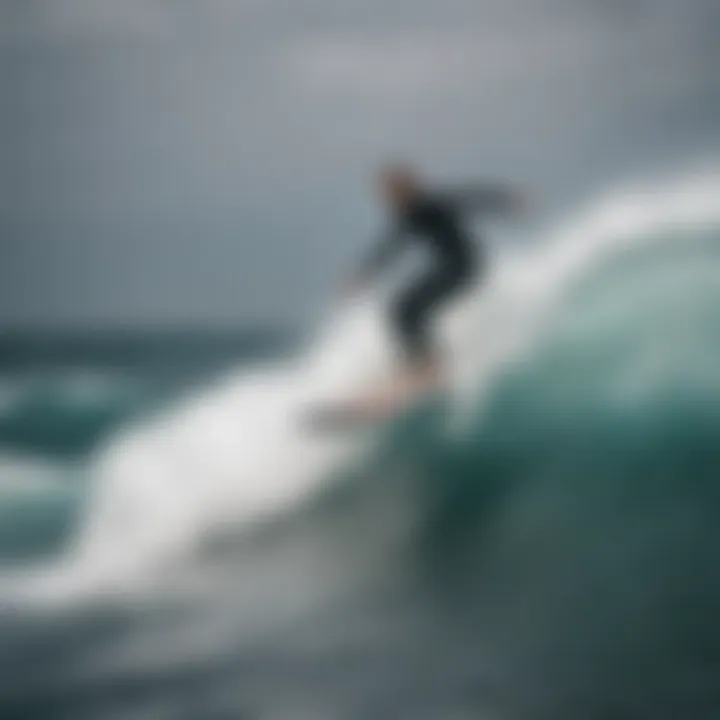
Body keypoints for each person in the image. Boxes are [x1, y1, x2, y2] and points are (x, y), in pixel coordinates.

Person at [347, 163, 524, 410]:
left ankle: (429, 366)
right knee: (401, 311)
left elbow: (472, 198)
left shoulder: (431, 204)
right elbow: (391, 246)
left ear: (406, 189)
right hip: (453, 268)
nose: (387, 199)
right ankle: (423, 364)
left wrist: (508, 199)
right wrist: (365, 273)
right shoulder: (409, 215)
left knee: (407, 310)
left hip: (464, 267)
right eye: (385, 194)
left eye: (391, 192)